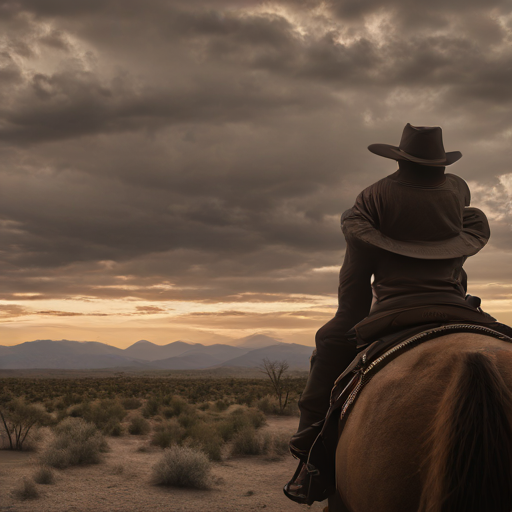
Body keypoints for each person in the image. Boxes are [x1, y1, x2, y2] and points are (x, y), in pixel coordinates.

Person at [284, 123, 512, 504]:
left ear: (399, 157)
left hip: (392, 312)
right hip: (458, 306)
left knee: (328, 340)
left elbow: (352, 295)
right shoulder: (456, 195)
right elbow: (459, 274)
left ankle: (311, 462)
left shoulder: (374, 200)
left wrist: (347, 324)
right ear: (440, 162)